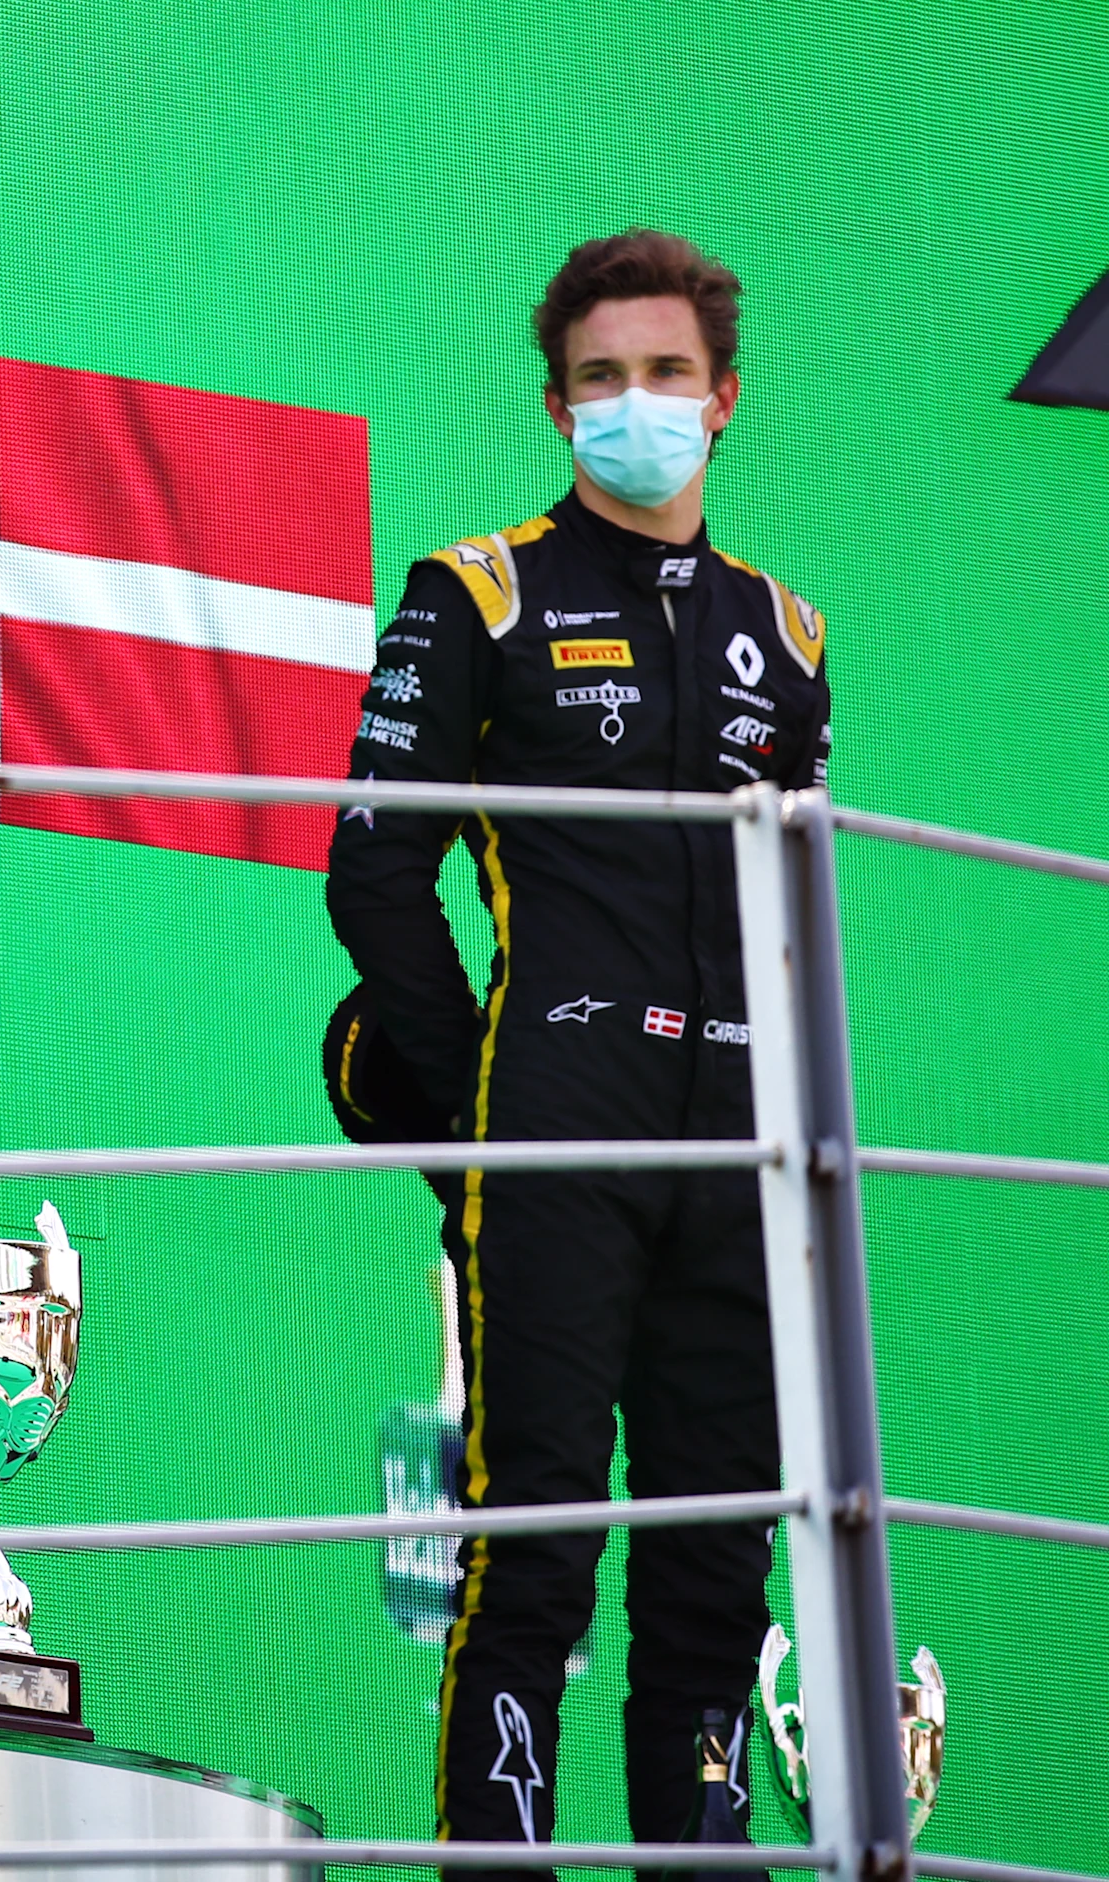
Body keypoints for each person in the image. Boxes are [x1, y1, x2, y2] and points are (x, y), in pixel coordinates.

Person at [326, 230, 828, 1870]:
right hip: (558, 1116)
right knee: (531, 1545)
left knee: (718, 1569)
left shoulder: (790, 635)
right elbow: (373, 868)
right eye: (602, 378)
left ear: (724, 396)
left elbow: (797, 915)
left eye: (668, 374)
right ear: (557, 404)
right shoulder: (476, 590)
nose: (637, 404)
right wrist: (476, 1101)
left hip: (742, 1142)